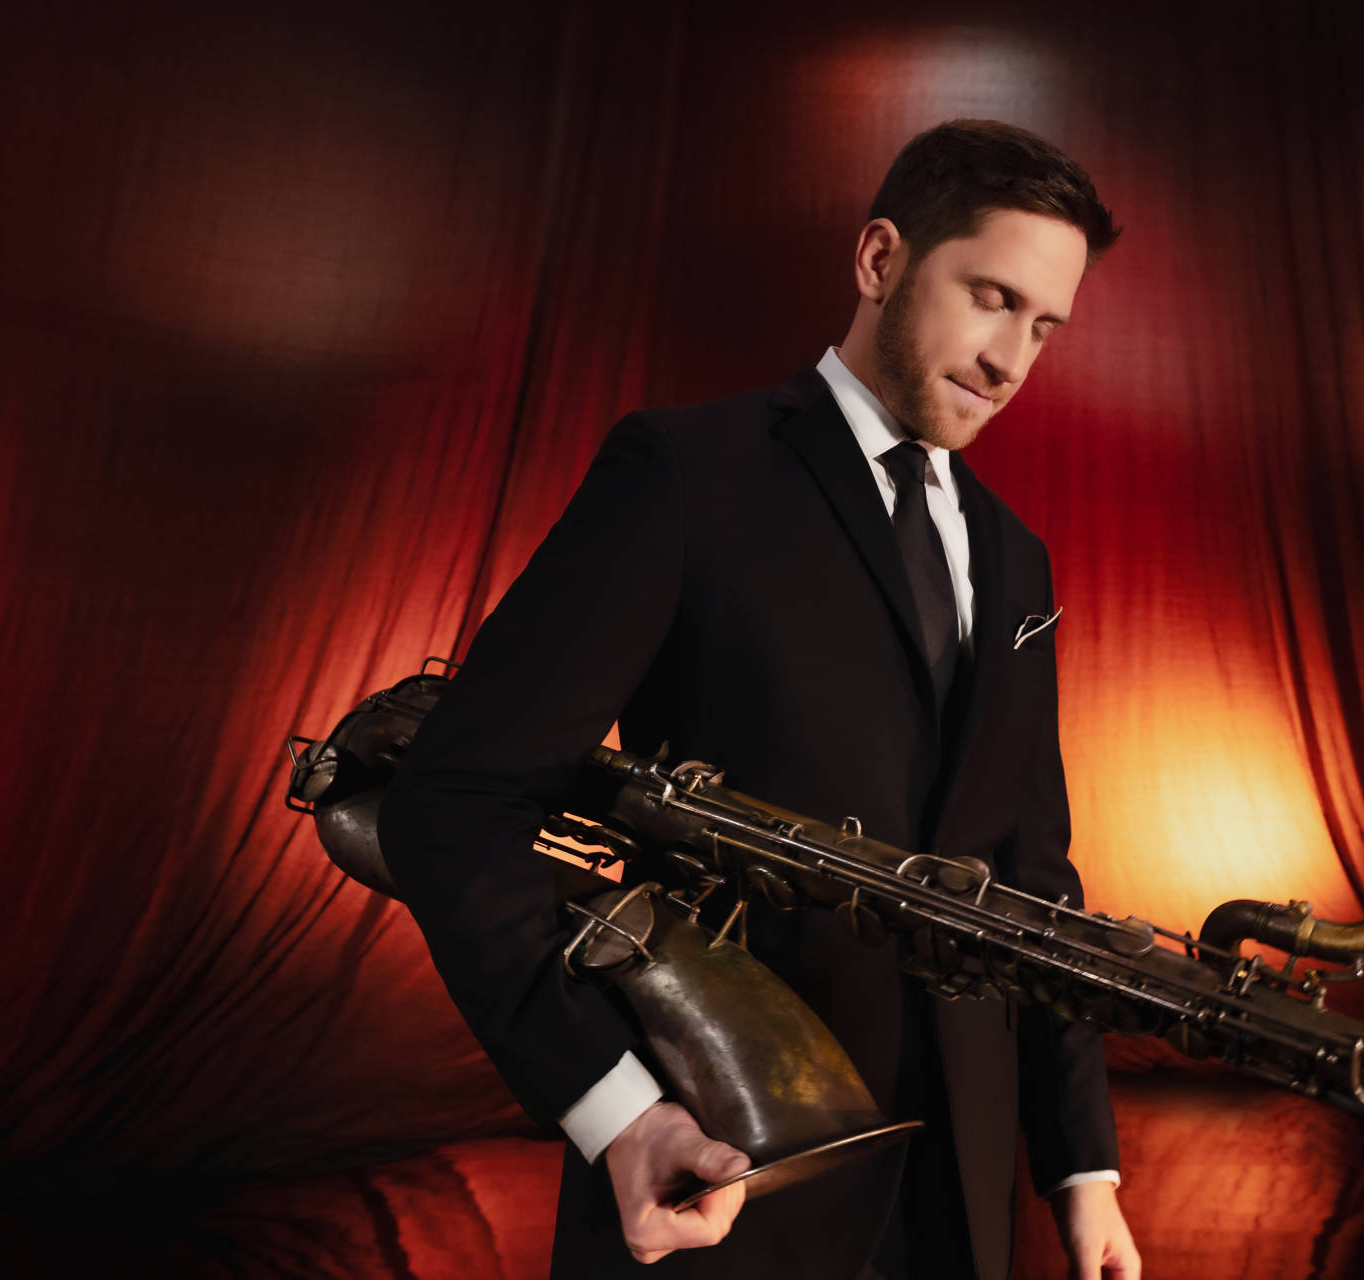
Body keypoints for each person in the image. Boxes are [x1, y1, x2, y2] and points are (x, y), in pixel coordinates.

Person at [379, 119, 1142, 1280]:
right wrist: (623, 1116)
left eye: (1044, 325)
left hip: (960, 1205)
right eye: (991, 297)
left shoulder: (1018, 556)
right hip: (720, 1178)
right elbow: (452, 801)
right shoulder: (685, 474)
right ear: (879, 259)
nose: (1012, 360)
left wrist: (1083, 1173)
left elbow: (1033, 876)